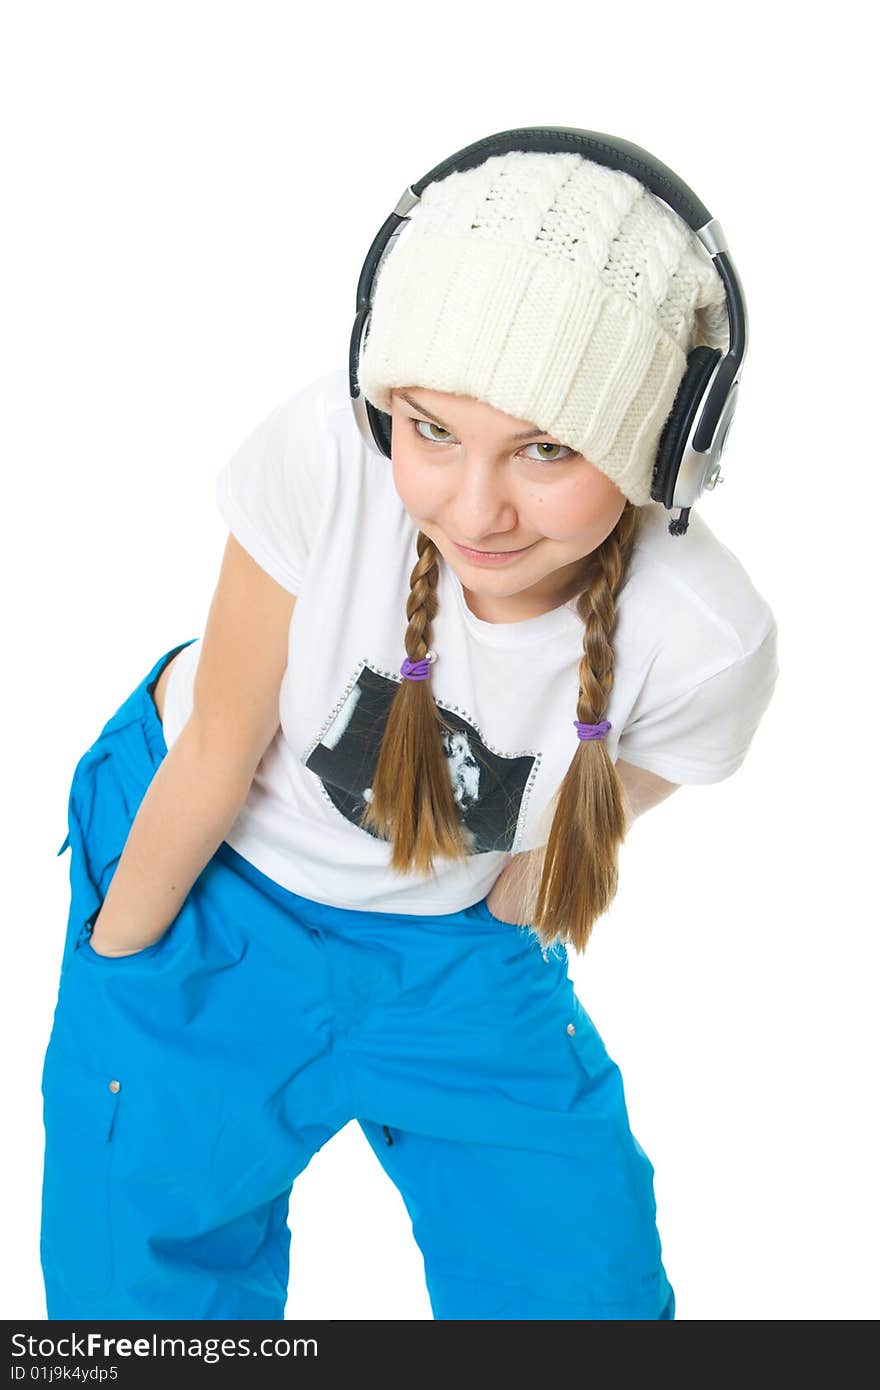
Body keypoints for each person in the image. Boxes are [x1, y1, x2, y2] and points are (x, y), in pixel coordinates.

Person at [39, 145, 779, 1321]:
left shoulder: (705, 643)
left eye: (545, 448)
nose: (472, 506)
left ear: (663, 447)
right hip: (205, 874)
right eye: (429, 429)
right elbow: (220, 748)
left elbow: (587, 814)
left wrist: (491, 931)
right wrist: (124, 971)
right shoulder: (330, 459)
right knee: (136, 1290)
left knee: (582, 1287)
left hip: (444, 952)